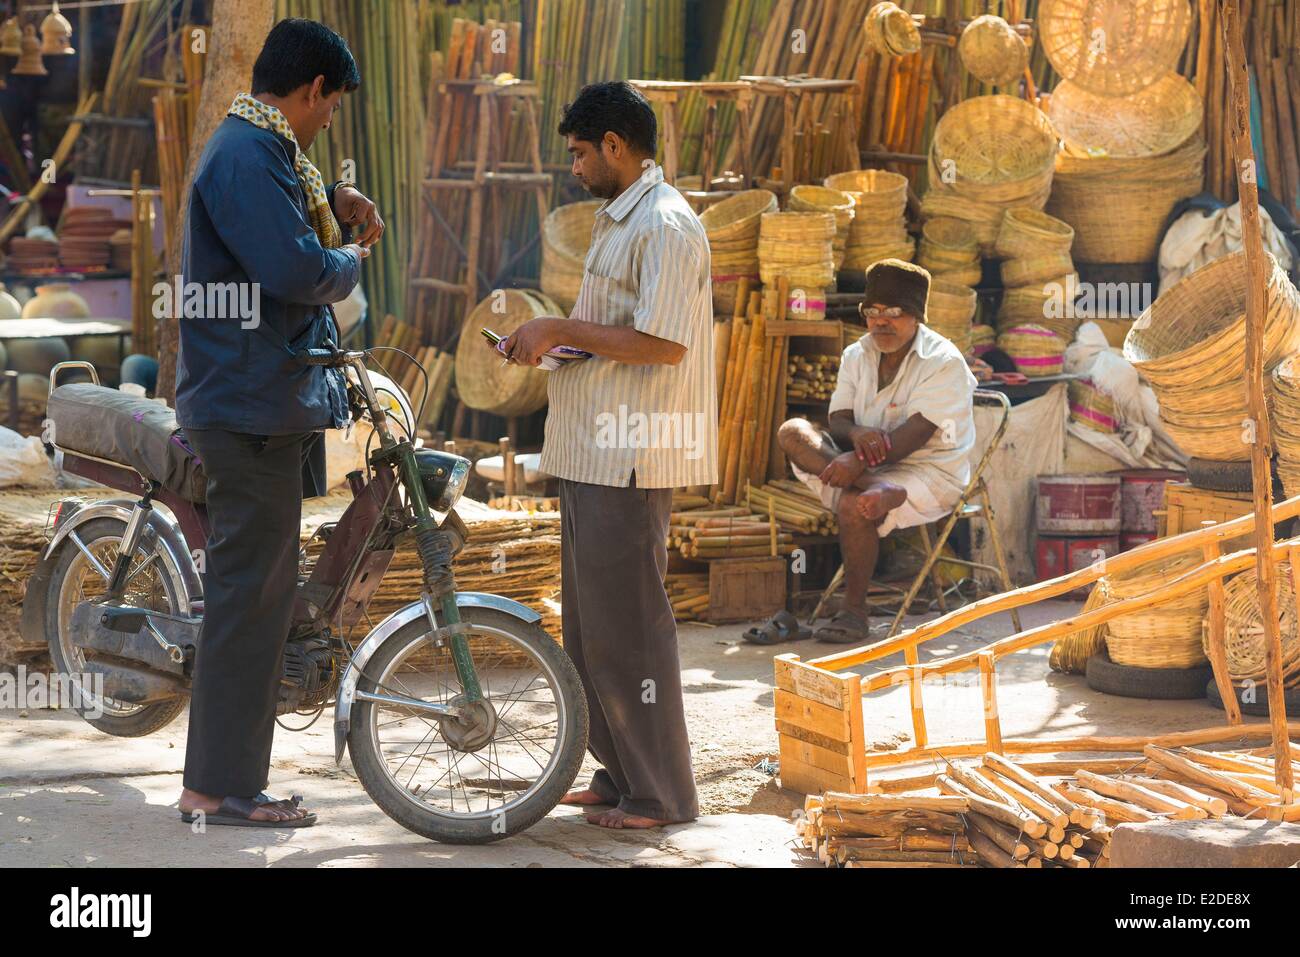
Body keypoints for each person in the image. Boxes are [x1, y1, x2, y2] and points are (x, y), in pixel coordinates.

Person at [174, 18, 384, 827]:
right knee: (246, 597)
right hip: (247, 403)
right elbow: (293, 267)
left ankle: (229, 779)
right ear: (310, 91)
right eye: (331, 107)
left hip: (262, 397)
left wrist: (330, 198)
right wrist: (348, 262)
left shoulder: (265, 148)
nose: (330, 122)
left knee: (257, 594)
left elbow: (284, 220)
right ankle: (217, 788)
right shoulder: (244, 152)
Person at [497, 81, 717, 829]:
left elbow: (664, 341)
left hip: (632, 454)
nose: (576, 167)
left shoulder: (667, 224)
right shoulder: (622, 219)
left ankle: (662, 794)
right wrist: (549, 340)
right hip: (592, 449)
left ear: (616, 147)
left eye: (581, 152)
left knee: (631, 629)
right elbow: (610, 332)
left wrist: (565, 326)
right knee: (591, 631)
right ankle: (621, 773)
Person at [775, 259, 976, 644]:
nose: (881, 322)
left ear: (916, 316)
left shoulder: (944, 361)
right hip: (871, 470)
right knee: (793, 432)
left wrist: (855, 459)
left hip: (929, 473)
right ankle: (877, 487)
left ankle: (854, 612)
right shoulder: (857, 354)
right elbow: (838, 421)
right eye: (873, 312)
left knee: (854, 504)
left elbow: (911, 438)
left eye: (893, 313)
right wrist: (857, 433)